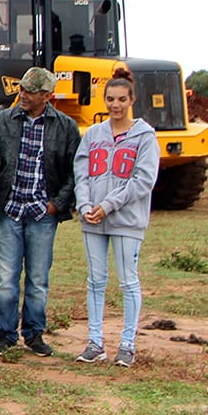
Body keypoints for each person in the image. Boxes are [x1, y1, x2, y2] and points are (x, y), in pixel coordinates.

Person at [0, 66, 81, 357]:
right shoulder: (2, 120)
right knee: (5, 279)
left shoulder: (65, 127)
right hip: (8, 210)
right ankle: (6, 334)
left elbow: (75, 172)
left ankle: (34, 334)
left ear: (47, 96)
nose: (23, 95)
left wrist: (56, 204)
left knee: (38, 279)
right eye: (22, 89)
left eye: (31, 92)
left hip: (42, 213)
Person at [73, 67, 158, 368]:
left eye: (121, 99)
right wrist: (84, 206)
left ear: (131, 99)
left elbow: (143, 180)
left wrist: (108, 204)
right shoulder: (93, 134)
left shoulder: (145, 136)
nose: (115, 105)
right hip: (93, 220)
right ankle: (95, 342)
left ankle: (127, 344)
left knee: (127, 281)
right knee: (95, 281)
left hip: (126, 220)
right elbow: (81, 173)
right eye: (110, 99)